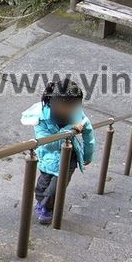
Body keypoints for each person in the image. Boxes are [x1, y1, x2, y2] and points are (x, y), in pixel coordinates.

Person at [20, 78, 96, 225]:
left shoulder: (76, 113)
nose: (69, 110)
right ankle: (42, 203)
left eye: (74, 105)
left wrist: (88, 154)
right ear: (53, 102)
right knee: (42, 186)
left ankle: (48, 208)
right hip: (47, 157)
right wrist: (71, 130)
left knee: (55, 189)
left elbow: (88, 132)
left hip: (69, 156)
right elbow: (47, 144)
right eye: (65, 105)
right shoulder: (40, 117)